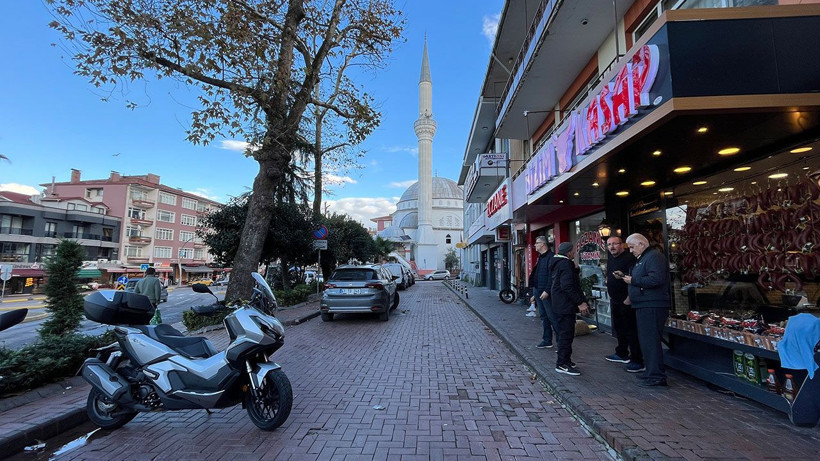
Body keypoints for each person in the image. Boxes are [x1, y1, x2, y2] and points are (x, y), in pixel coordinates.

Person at [622, 233, 670, 387]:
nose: (630, 251)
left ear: (641, 244)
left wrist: (633, 280)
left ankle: (656, 376)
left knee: (651, 340)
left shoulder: (654, 257)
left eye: (632, 247)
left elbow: (656, 279)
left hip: (652, 304)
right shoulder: (643, 259)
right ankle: (651, 372)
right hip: (644, 304)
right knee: (646, 340)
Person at [549, 242, 590, 376]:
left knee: (565, 334)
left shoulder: (558, 263)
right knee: (566, 335)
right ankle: (562, 363)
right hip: (565, 305)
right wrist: (580, 302)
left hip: (559, 304)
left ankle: (566, 360)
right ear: (568, 252)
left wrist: (575, 270)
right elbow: (567, 286)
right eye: (573, 251)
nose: (574, 253)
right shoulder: (566, 264)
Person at [604, 235, 643, 373]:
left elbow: (635, 278)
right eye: (609, 245)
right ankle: (621, 353)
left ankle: (637, 359)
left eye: (615, 244)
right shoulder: (611, 258)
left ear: (622, 245)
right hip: (615, 299)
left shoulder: (629, 258)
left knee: (631, 330)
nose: (612, 247)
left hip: (627, 300)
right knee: (620, 329)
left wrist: (629, 297)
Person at [528, 236, 556, 348]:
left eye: (536, 243)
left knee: (552, 317)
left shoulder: (551, 257)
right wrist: (534, 292)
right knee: (543, 316)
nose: (534, 245)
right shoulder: (540, 257)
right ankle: (547, 340)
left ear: (543, 244)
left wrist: (547, 290)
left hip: (545, 293)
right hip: (538, 290)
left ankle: (561, 343)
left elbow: (552, 276)